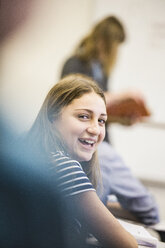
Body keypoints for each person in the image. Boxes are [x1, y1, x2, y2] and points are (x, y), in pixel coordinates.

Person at [60, 16, 160, 225]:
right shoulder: (75, 64)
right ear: (105, 41)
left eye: (101, 121)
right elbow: (78, 103)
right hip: (92, 152)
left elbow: (95, 114)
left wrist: (119, 120)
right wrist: (122, 95)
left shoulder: (101, 70)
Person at [25, 74, 138, 248]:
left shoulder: (38, 158)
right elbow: (127, 245)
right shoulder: (62, 166)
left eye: (101, 121)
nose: (95, 129)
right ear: (52, 116)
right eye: (84, 116)